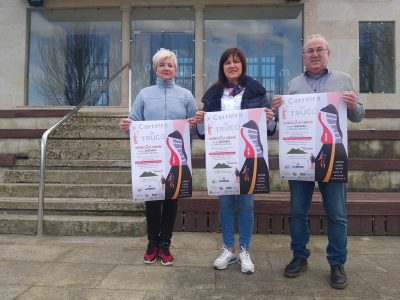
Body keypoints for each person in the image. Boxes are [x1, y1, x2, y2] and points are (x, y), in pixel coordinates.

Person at [272, 34, 365, 289]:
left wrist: (354, 104)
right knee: (297, 212)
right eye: (309, 51)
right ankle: (299, 257)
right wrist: (277, 109)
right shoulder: (293, 84)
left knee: (337, 213)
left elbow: (358, 116)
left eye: (319, 50)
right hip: (301, 158)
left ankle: (337, 263)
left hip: (333, 155)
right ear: (302, 57)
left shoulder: (343, 80)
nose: (314, 54)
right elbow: (282, 122)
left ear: (328, 53)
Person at [195, 47, 276, 274]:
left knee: (247, 204)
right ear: (222, 67)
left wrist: (270, 119)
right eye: (227, 62)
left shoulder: (256, 92)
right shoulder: (213, 95)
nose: (232, 66)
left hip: (248, 157)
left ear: (243, 65)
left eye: (236, 62)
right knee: (226, 204)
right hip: (222, 157)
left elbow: (269, 130)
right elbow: (203, 134)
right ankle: (228, 248)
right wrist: (201, 121)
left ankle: (244, 250)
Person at [119, 48, 197, 266]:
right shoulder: (144, 94)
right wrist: (127, 125)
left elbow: (194, 128)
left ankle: (165, 244)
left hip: (176, 159)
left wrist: (195, 124)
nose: (166, 68)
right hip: (151, 157)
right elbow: (134, 123)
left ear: (176, 69)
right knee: (152, 201)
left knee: (171, 201)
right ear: (155, 68)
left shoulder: (186, 95)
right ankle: (152, 243)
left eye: (170, 65)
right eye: (162, 64)